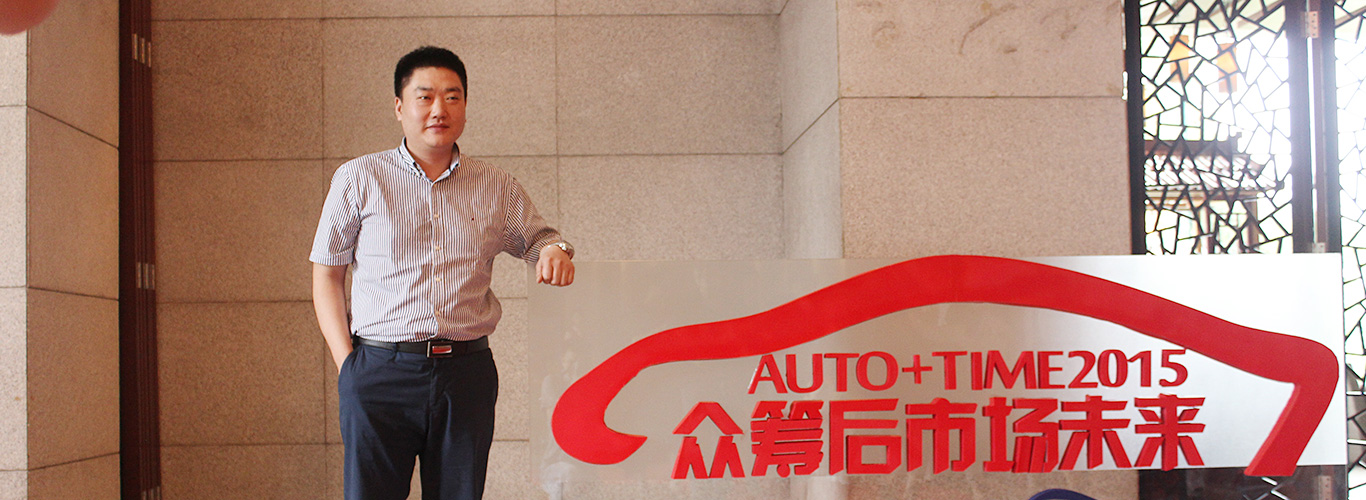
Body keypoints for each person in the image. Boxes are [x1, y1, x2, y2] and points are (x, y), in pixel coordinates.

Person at [310, 45, 575, 500]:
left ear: (465, 106)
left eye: (452, 97)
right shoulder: (359, 178)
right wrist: (348, 366)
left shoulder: (496, 186)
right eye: (425, 97)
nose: (439, 109)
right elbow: (327, 275)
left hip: (466, 375)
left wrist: (557, 249)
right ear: (399, 107)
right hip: (379, 371)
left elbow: (541, 240)